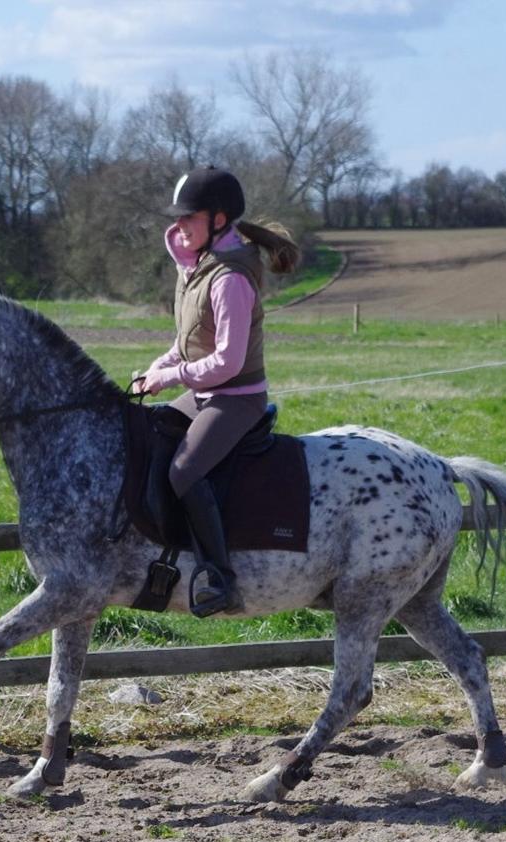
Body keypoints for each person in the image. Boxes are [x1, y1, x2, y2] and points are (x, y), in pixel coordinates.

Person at [135, 166, 300, 617]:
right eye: (179, 218)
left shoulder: (229, 278)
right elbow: (188, 340)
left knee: (185, 469)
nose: (179, 226)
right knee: (152, 435)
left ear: (220, 221)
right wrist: (157, 368)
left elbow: (227, 361)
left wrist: (171, 378)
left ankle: (219, 576)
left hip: (236, 398)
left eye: (190, 218)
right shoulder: (196, 270)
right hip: (205, 391)